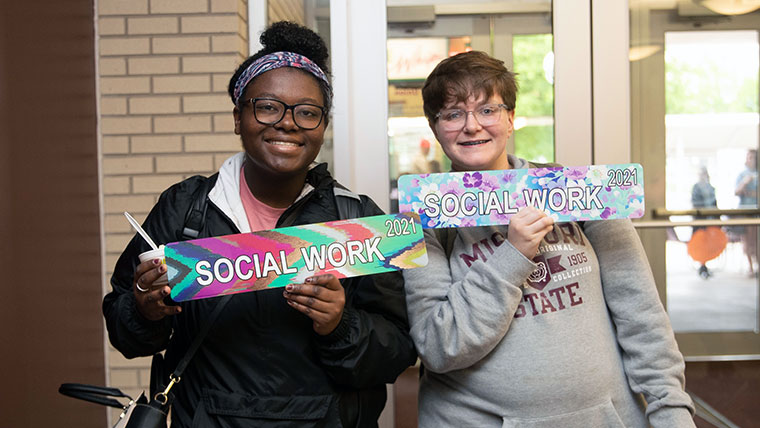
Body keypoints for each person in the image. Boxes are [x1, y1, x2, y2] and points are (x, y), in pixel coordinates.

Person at [103, 21, 416, 427]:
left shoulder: (360, 220)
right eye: (267, 106)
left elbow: (398, 352)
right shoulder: (186, 210)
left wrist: (341, 325)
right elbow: (123, 331)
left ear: (322, 127)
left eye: (307, 112)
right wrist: (145, 310)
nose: (287, 123)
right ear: (238, 118)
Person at [403, 51, 695, 427]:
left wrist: (671, 412)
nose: (472, 126)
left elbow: (641, 316)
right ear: (435, 127)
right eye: (453, 114)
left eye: (488, 110)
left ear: (510, 120)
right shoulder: (420, 218)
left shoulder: (578, 191)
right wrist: (513, 255)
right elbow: (438, 347)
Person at [691, 165, 717, 278]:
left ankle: (705, 266)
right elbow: (695, 203)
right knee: (700, 243)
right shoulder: (696, 187)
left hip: (709, 219)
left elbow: (715, 203)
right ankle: (702, 266)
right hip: (700, 219)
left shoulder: (710, 188)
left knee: (708, 244)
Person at [735, 149, 757, 276]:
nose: (751, 160)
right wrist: (745, 182)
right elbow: (737, 191)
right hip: (745, 211)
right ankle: (750, 267)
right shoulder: (742, 175)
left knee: (755, 241)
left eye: (753, 157)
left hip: (756, 212)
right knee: (747, 241)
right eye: (749, 157)